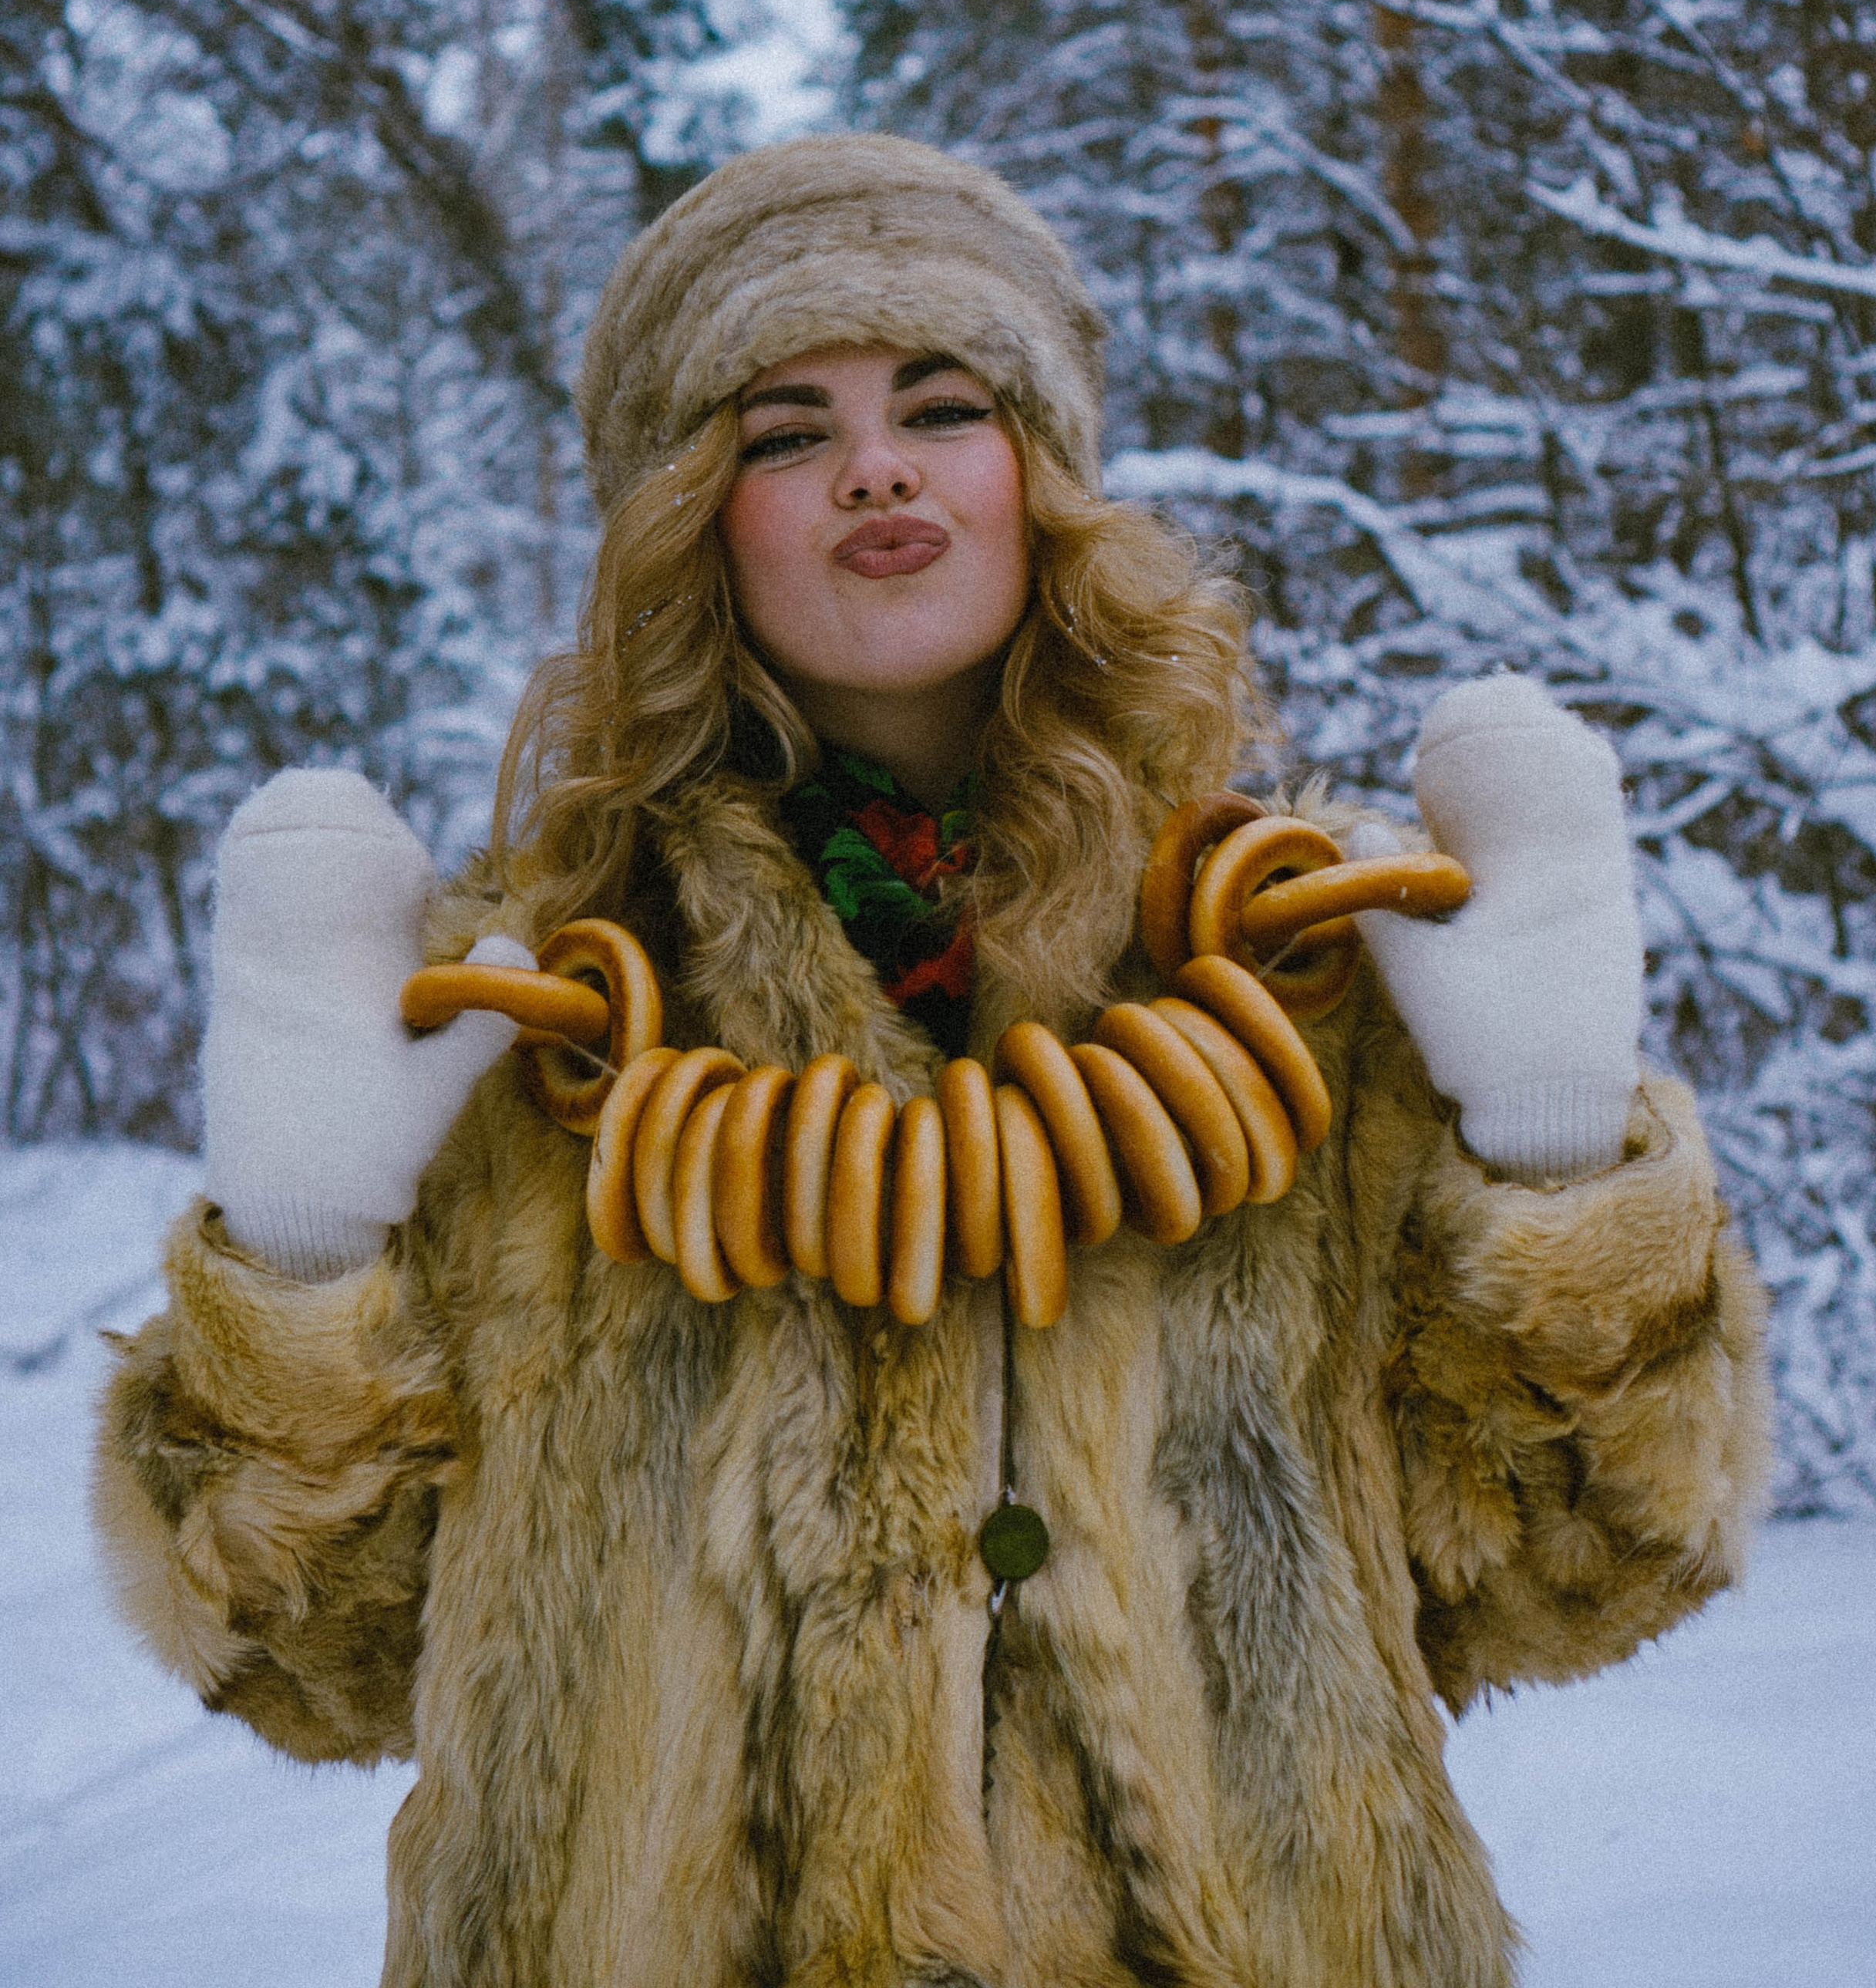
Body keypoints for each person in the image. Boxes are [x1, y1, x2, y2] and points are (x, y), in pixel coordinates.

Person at [93, 133, 1770, 1988]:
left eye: (941, 405)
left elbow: (1572, 1571)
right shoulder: (516, 1028)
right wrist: (304, 1255)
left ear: (1036, 474)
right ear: (685, 515)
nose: (874, 465)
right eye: (784, 428)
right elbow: (313, 1664)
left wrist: (1551, 1157)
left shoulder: (1305, 978)